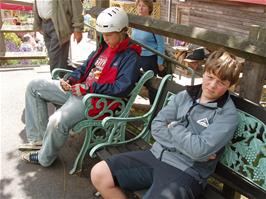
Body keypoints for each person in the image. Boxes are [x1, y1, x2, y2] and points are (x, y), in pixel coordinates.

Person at [90, 48, 243, 199]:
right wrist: (193, 149)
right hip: (155, 155)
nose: (212, 85)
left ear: (229, 85)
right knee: (99, 174)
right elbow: (156, 127)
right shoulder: (185, 96)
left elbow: (198, 150)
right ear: (204, 73)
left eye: (221, 82)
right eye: (210, 77)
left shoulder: (227, 115)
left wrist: (173, 127)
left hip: (185, 172)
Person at [19, 7, 141, 167]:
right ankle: (38, 140)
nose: (106, 39)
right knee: (34, 86)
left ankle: (44, 158)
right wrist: (70, 79)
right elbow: (84, 69)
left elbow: (121, 88)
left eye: (110, 34)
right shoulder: (103, 47)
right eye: (103, 34)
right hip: (79, 91)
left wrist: (88, 89)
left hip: (96, 101)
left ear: (123, 31)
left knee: (57, 121)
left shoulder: (130, 56)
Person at [33, 0, 84, 73]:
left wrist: (78, 28)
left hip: (59, 24)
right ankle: (64, 79)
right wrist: (37, 24)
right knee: (54, 59)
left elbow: (76, 5)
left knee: (56, 60)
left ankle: (57, 82)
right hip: (44, 23)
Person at [131, 0, 165, 104]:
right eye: (139, 6)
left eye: (144, 6)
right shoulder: (136, 22)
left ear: (149, 8)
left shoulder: (154, 23)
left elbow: (161, 44)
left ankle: (153, 108)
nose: (140, 8)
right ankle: (127, 105)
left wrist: (160, 62)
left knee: (151, 85)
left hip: (150, 58)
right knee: (130, 79)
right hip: (137, 56)